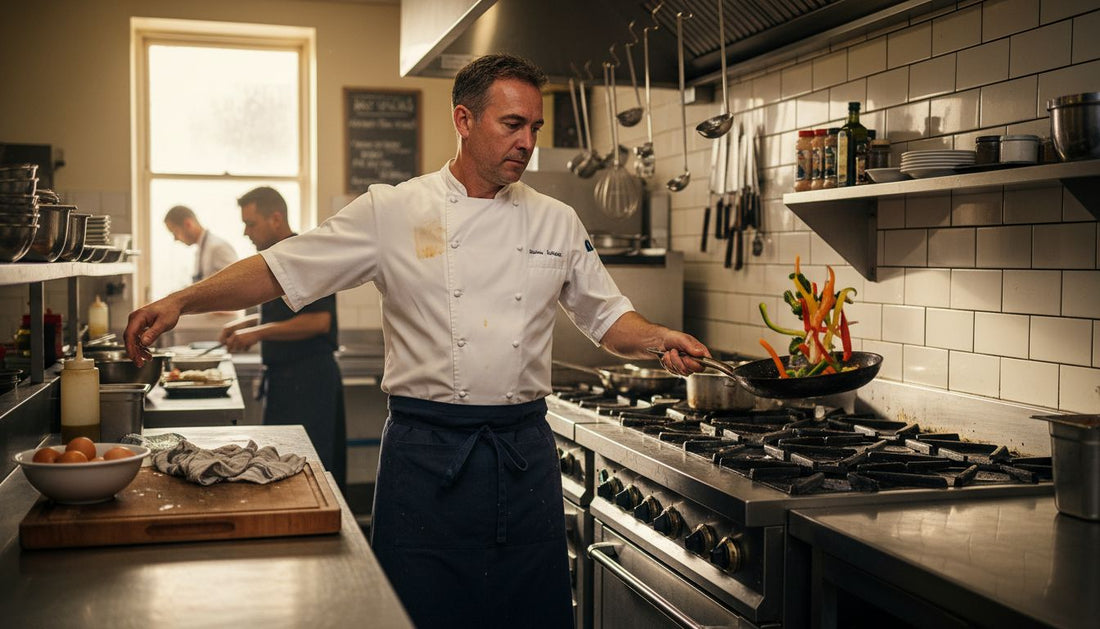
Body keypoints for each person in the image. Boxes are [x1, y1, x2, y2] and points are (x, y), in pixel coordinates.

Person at [125, 54, 711, 629]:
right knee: (419, 613)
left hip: (524, 455)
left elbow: (606, 318)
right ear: (463, 120)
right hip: (426, 455)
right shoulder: (394, 210)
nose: (527, 141)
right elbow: (282, 268)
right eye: (512, 124)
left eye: (533, 127)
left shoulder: (557, 220)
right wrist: (179, 302)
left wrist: (658, 338)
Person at [216, 186, 346, 492]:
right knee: (282, 471)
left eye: (251, 223)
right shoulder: (278, 257)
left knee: (311, 474)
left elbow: (319, 320)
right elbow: (281, 313)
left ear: (276, 218)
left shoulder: (307, 253)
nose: (245, 232)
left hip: (310, 382)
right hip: (286, 382)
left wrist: (256, 333)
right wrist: (243, 325)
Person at [163, 205, 238, 283]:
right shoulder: (201, 250)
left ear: (188, 224)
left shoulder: (218, 248)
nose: (175, 239)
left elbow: (235, 284)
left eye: (175, 232)